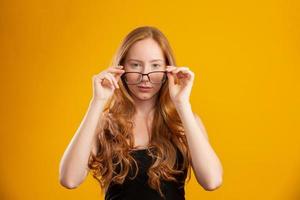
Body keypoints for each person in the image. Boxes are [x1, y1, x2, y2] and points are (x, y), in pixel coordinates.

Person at [59, 26, 223, 200]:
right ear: (121, 68)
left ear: (168, 69)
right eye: (135, 65)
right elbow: (69, 179)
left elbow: (211, 181)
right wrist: (97, 102)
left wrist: (182, 104)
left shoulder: (184, 121)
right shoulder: (105, 123)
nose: (145, 75)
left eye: (155, 65)